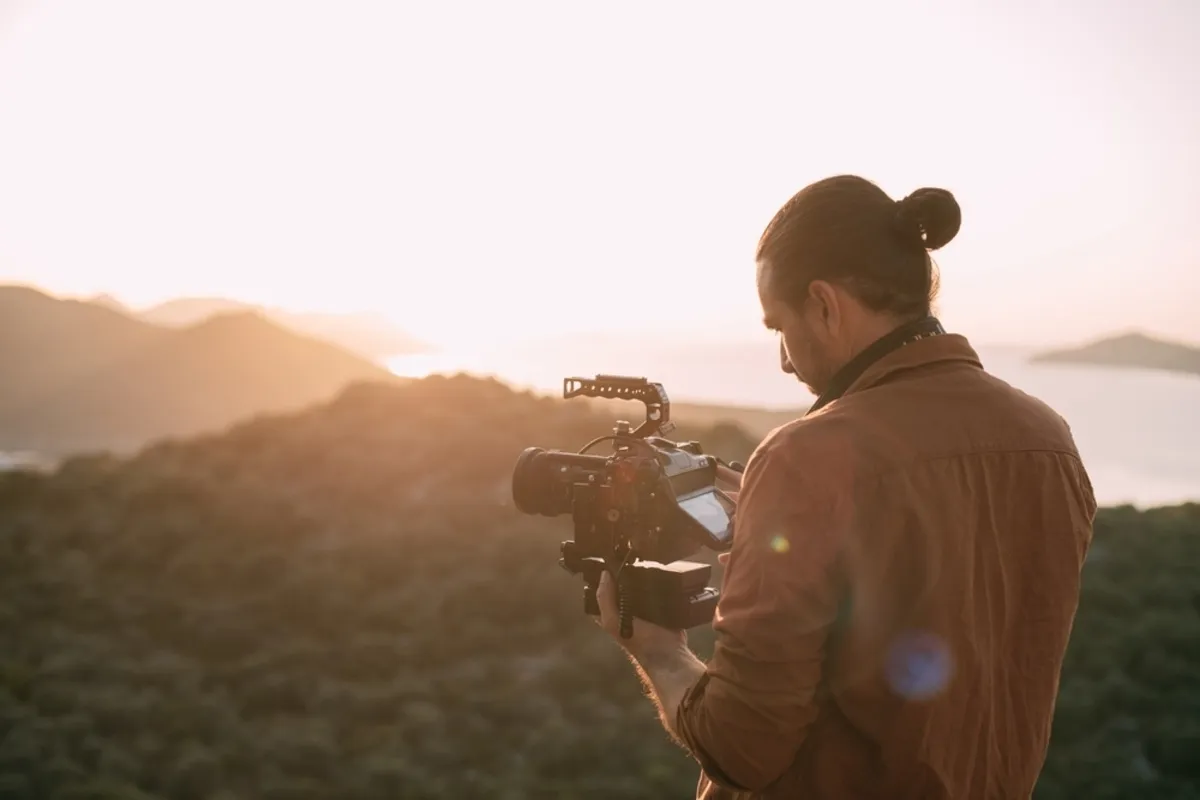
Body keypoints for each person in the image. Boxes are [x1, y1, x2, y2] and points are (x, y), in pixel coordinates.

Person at [593, 175, 1096, 799]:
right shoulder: (1049, 441)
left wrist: (658, 650)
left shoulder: (807, 458)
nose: (783, 359)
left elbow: (741, 746)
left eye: (779, 326)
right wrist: (787, 512)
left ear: (825, 305)